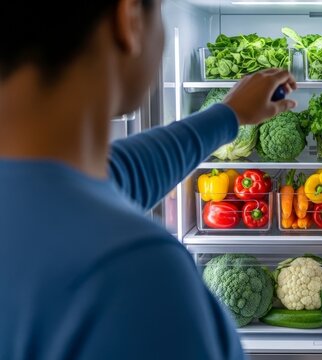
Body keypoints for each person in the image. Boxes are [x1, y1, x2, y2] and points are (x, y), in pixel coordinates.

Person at [0, 0, 297, 358]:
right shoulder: (136, 272)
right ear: (128, 20)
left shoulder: (31, 194)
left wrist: (228, 115)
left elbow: (120, 173)